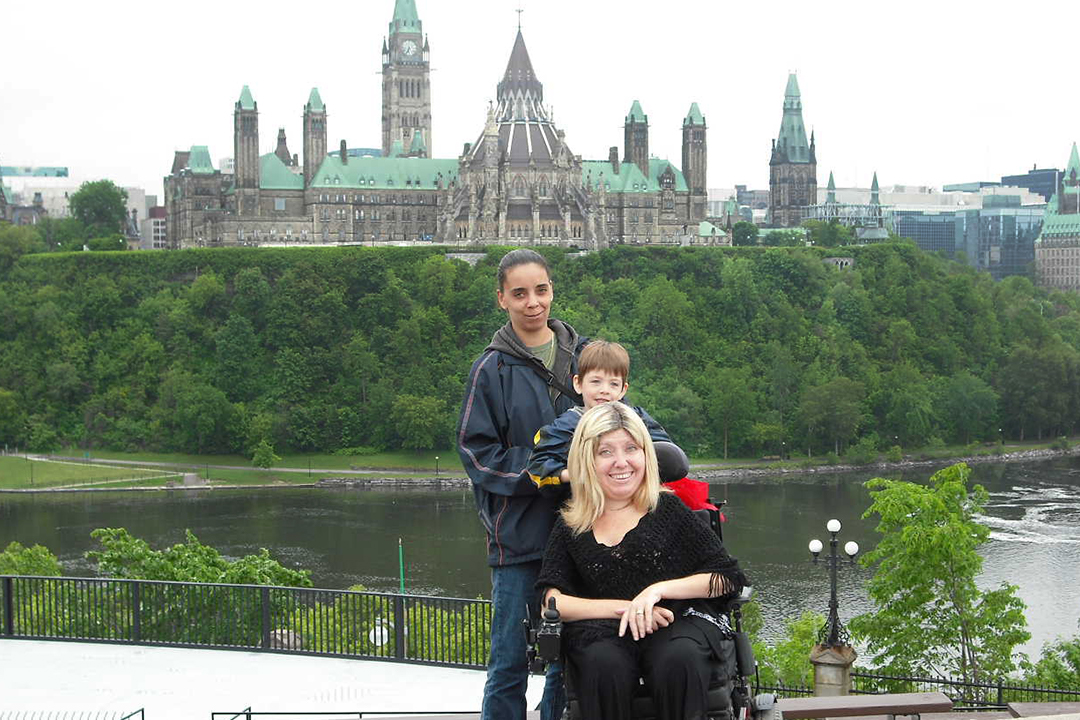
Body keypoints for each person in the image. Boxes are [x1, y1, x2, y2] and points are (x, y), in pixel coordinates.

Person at [537, 401, 748, 720]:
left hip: (675, 619)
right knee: (602, 664)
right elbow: (551, 600)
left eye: (631, 448)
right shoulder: (571, 524)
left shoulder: (668, 510)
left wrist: (657, 592)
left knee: (678, 658)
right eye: (605, 451)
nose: (621, 462)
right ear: (587, 460)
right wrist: (626, 608)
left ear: (645, 454)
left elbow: (727, 578)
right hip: (603, 628)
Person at [456, 248, 588, 720]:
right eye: (520, 293)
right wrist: (545, 474)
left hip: (581, 532)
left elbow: (621, 423)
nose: (533, 302)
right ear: (502, 299)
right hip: (519, 537)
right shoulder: (490, 369)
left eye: (541, 290)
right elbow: (476, 453)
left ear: (552, 290)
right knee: (509, 661)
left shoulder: (584, 357)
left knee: (568, 660)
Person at [527, 340, 672, 495]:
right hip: (588, 504)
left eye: (614, 384)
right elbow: (536, 465)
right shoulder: (567, 425)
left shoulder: (637, 419)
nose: (605, 390)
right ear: (578, 383)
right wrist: (575, 474)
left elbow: (667, 451)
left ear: (624, 389)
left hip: (634, 501)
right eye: (596, 382)